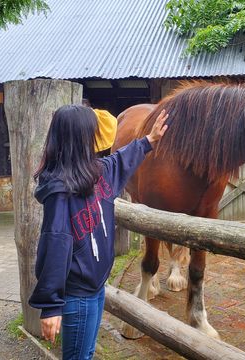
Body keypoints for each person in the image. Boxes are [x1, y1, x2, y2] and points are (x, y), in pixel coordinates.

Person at [29, 104, 169, 360]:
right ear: (81, 139)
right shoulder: (60, 193)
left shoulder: (98, 173)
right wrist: (50, 307)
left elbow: (121, 159)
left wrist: (150, 140)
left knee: (87, 352)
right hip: (76, 296)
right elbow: (55, 247)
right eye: (92, 132)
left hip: (96, 287)